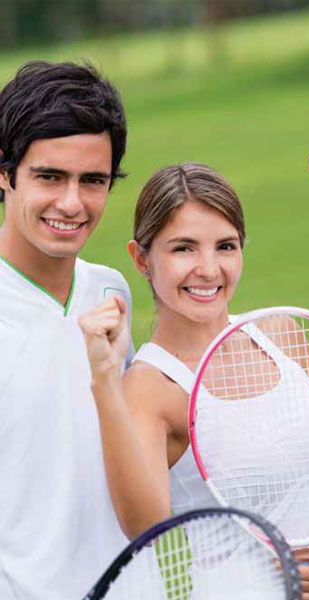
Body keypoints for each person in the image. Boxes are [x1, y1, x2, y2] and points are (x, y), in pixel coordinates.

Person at [77, 162, 309, 600]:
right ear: (142, 259)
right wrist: (104, 381)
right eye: (183, 249)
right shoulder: (150, 387)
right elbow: (146, 526)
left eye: (225, 246)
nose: (208, 269)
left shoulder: (283, 333)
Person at [0, 61, 131, 599]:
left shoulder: (112, 290)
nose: (72, 204)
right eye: (49, 177)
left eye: (93, 181)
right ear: (4, 175)